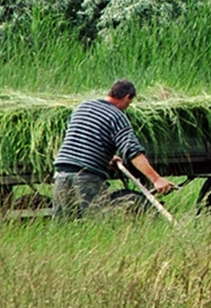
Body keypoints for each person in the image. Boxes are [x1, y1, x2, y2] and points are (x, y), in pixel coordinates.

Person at [52, 79, 175, 219]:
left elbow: (82, 137)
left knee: (65, 224)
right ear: (127, 97)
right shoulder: (116, 116)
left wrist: (106, 158)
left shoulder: (83, 107)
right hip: (86, 176)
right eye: (129, 103)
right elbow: (133, 151)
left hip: (61, 174)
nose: (127, 107)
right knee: (96, 224)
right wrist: (156, 179)